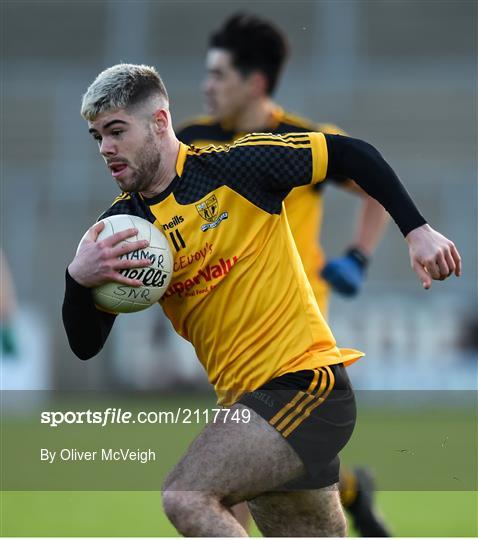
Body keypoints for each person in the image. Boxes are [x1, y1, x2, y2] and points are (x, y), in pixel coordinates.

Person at [63, 63, 461, 537]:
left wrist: (416, 230)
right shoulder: (120, 233)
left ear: (160, 122)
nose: (106, 148)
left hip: (305, 388)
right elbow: (86, 344)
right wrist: (78, 279)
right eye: (97, 137)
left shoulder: (236, 167)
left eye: (116, 131)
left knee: (186, 496)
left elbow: (353, 155)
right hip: (248, 412)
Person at [177, 13, 390, 535]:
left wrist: (358, 256)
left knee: (240, 470)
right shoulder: (194, 142)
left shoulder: (306, 139)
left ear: (255, 82)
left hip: (297, 315)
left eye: (218, 75)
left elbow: (376, 190)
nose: (205, 87)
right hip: (231, 313)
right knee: (274, 460)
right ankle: (354, 494)